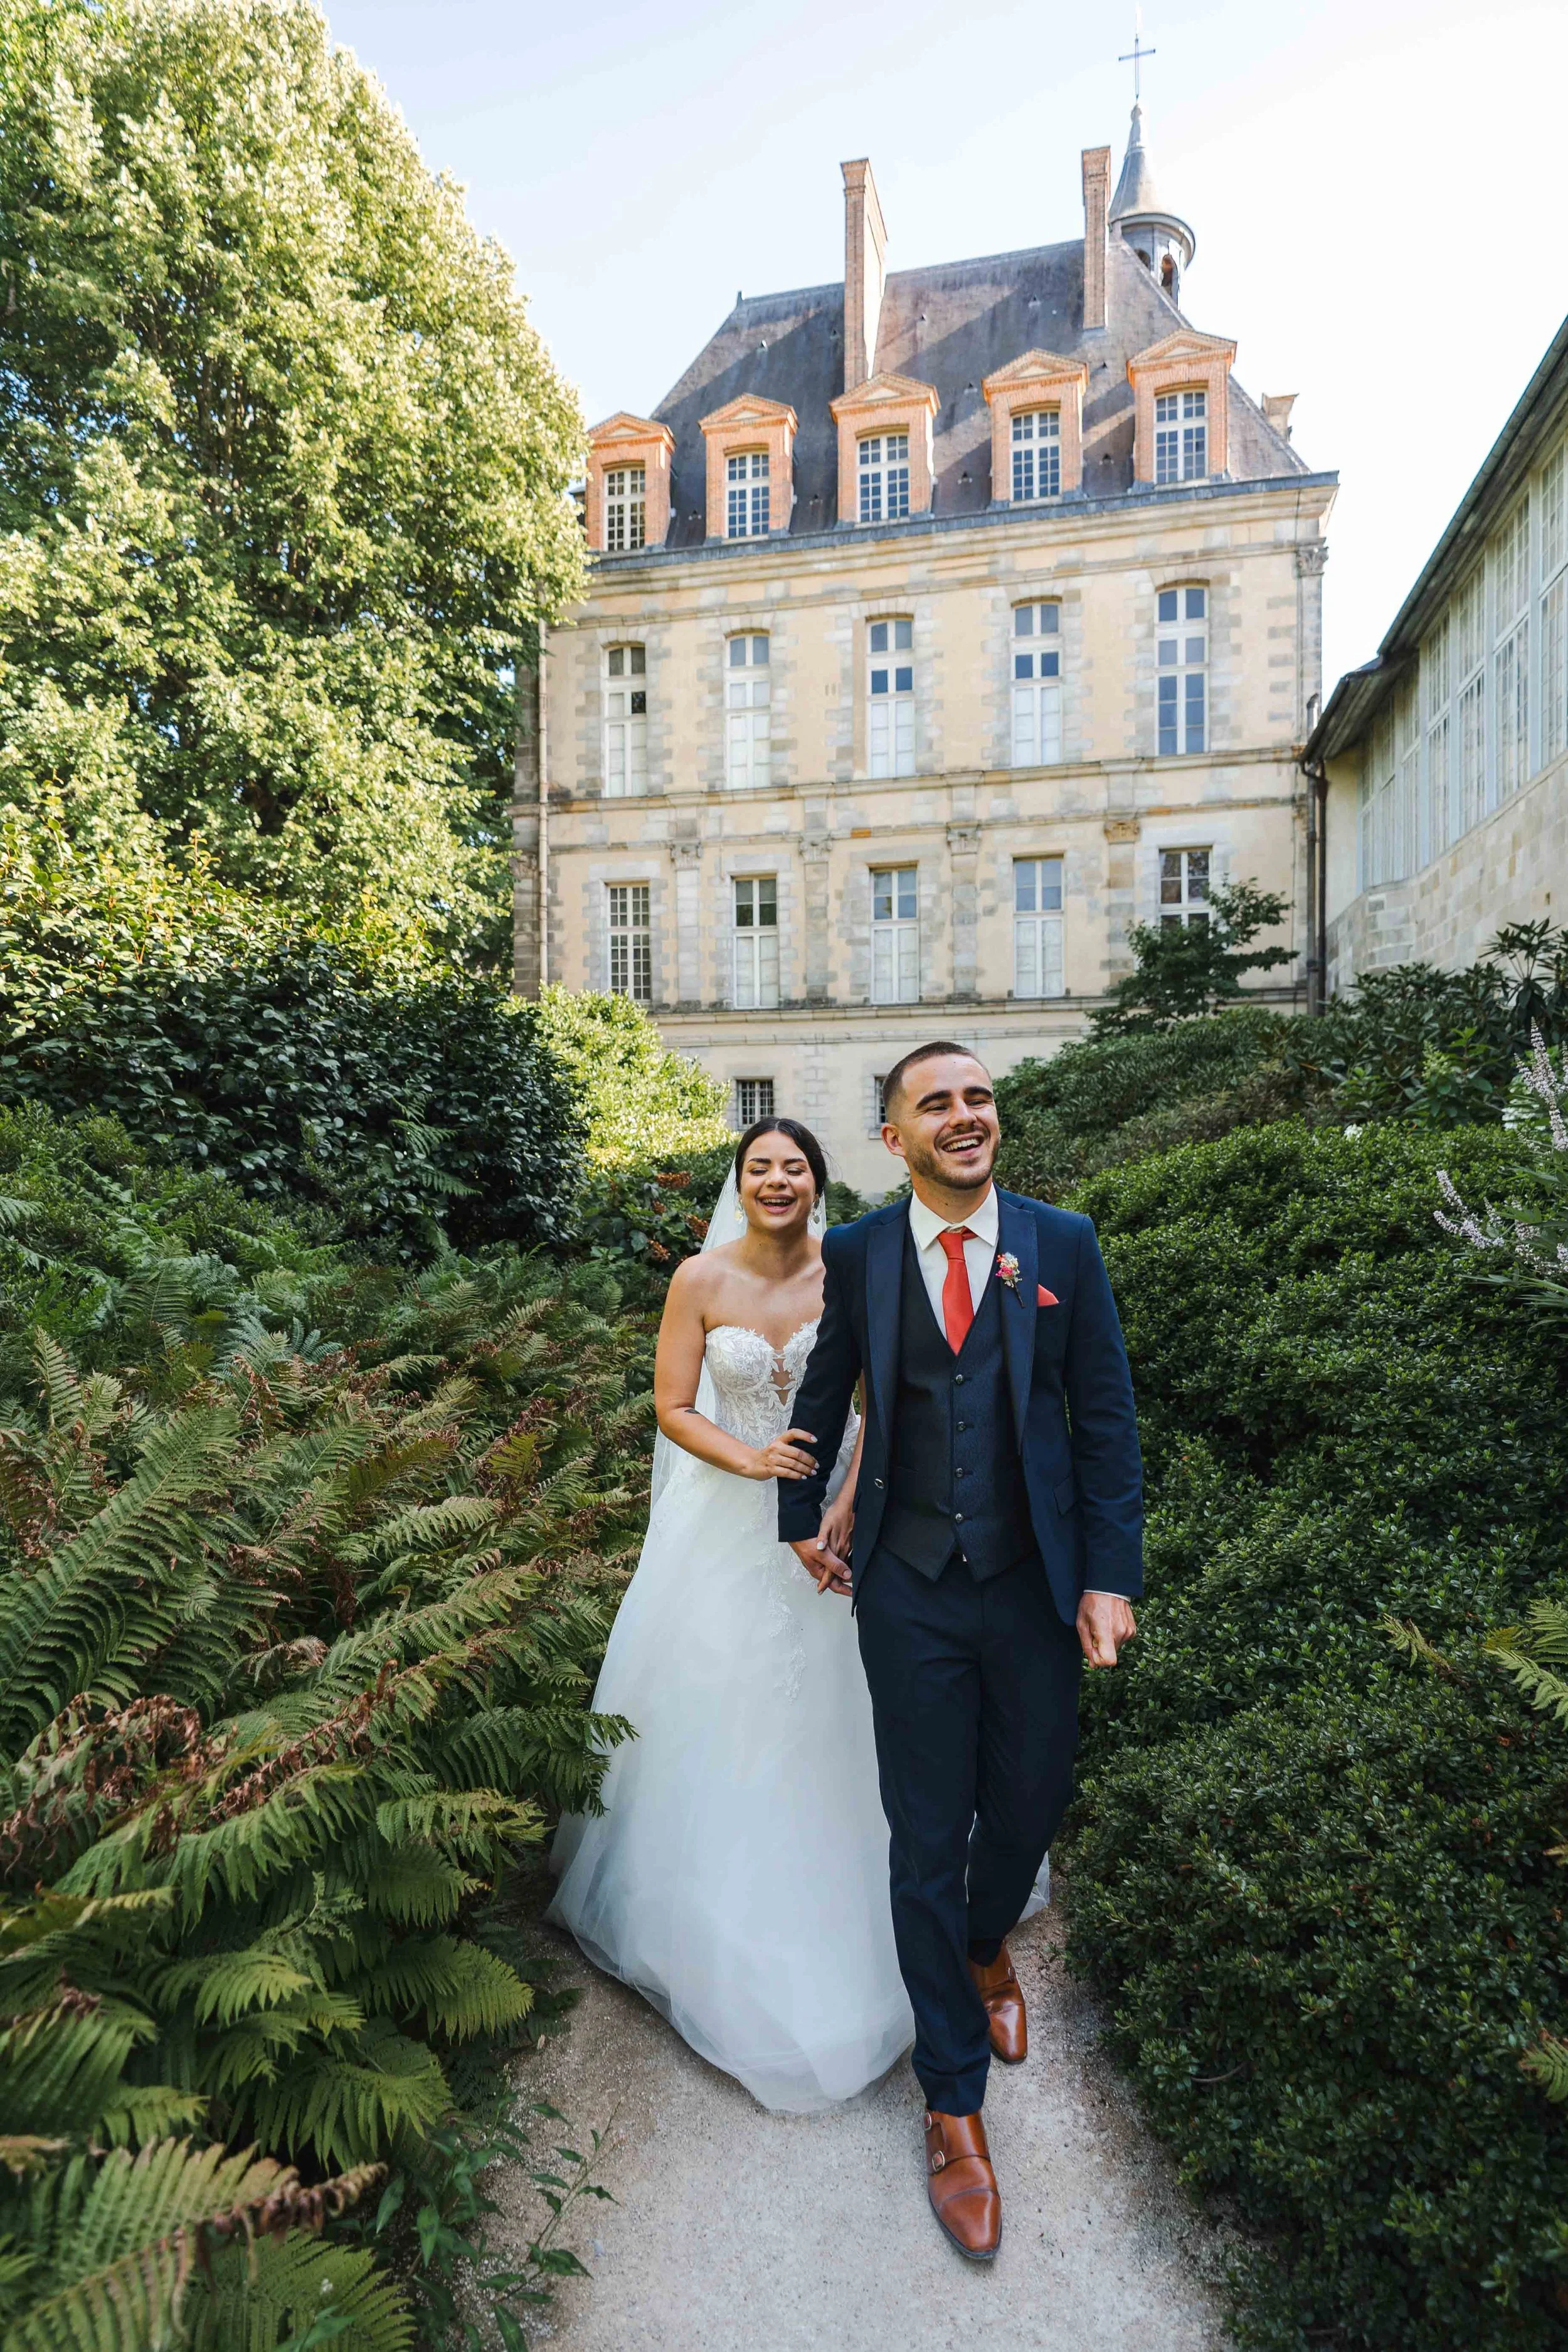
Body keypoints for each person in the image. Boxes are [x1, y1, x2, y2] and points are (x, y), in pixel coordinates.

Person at [779, 1042, 1143, 2260]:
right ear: (894, 1140)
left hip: (1034, 1585)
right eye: (934, 1104)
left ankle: (991, 1945)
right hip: (907, 1588)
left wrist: (1105, 1575)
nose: (963, 1115)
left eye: (976, 1096)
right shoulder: (860, 1252)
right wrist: (795, 1521)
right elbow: (824, 1393)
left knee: (1028, 1802)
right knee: (925, 1836)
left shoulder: (1065, 1246)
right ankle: (950, 2104)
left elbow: (1104, 1422)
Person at [548, 1117, 914, 2111]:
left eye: (795, 1165)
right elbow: (672, 1405)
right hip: (723, 1521)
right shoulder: (698, 1281)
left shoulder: (852, 1267)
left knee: (858, 1711)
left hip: (836, 1522)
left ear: (818, 1180)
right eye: (761, 1167)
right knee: (719, 1706)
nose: (778, 1179)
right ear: (740, 1182)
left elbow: (878, 1397)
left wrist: (844, 1496)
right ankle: (708, 1927)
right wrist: (751, 1459)